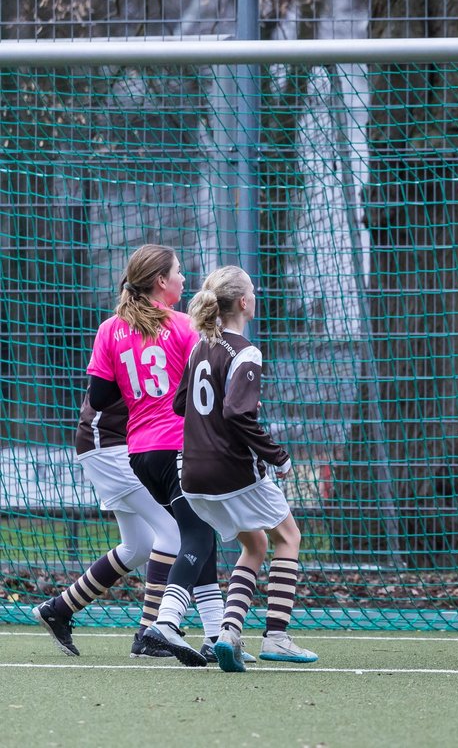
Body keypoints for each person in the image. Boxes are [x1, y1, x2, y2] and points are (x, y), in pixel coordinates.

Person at [81, 243, 224, 667]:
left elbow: (102, 397)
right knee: (196, 536)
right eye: (178, 272)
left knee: (202, 533)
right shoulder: (183, 326)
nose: (184, 278)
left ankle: (216, 635)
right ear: (161, 281)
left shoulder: (110, 329)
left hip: (141, 453)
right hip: (179, 445)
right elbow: (204, 390)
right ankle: (163, 624)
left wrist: (137, 381)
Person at [174, 265, 316, 672]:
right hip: (231, 470)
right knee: (289, 536)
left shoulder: (201, 346)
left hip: (194, 476)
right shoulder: (246, 351)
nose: (255, 297)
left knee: (254, 545)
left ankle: (228, 633)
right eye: (252, 291)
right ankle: (276, 636)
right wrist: (278, 456)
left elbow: (179, 405)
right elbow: (238, 413)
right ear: (242, 302)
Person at [31, 395, 182, 659]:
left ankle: (58, 609)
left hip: (116, 443)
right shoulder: (128, 351)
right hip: (111, 446)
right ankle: (149, 636)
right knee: (171, 532)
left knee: (138, 547)